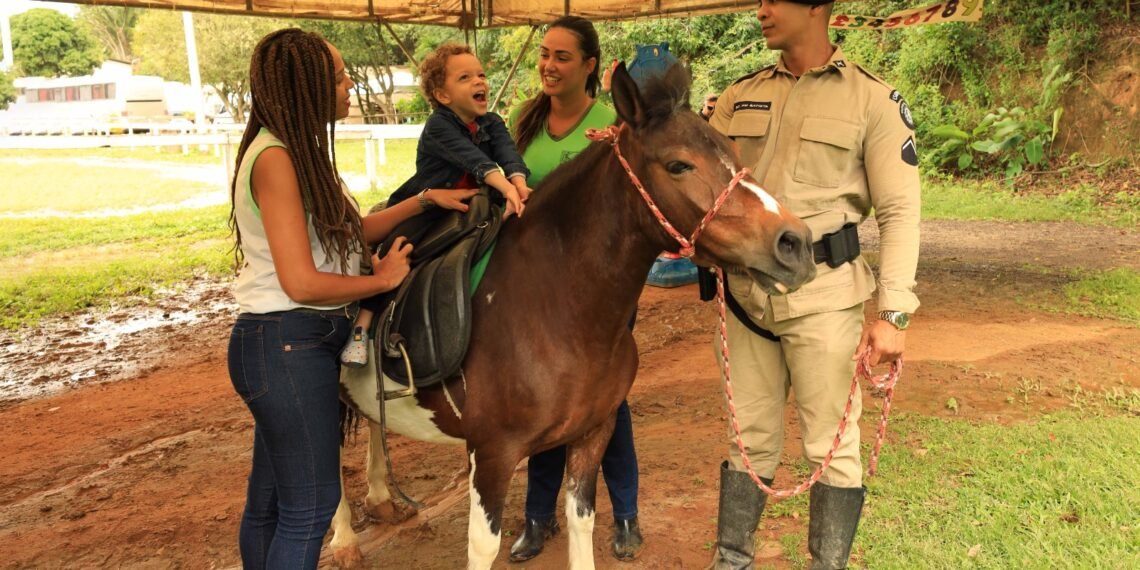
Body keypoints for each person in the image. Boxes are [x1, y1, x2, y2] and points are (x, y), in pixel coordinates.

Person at [225, 29, 473, 569]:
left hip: (285, 342)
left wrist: (423, 200)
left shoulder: (290, 150)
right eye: (339, 77)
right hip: (288, 341)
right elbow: (302, 282)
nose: (349, 85)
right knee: (310, 510)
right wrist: (381, 282)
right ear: (307, 86)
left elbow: (346, 231)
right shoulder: (277, 159)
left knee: (271, 504)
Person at [707, 1, 920, 568]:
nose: (762, 10)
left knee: (831, 446)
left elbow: (899, 212)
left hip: (824, 297)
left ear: (817, 7)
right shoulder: (737, 96)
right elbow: (701, 181)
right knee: (748, 440)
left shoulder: (873, 100)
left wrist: (894, 313)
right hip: (746, 297)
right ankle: (731, 559)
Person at [505, 16, 644, 563]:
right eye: (545, 53)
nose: (548, 64)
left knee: (607, 404)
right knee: (544, 401)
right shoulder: (525, 121)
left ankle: (626, 513)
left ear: (589, 66)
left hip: (600, 292)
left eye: (562, 56)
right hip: (537, 291)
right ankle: (538, 517)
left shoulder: (614, 126)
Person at [339, 43, 532, 367]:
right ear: (442, 96)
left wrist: (520, 184)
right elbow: (476, 161)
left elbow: (508, 154)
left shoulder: (492, 122)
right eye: (465, 77)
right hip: (433, 204)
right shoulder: (439, 126)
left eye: (481, 75)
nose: (479, 81)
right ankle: (363, 325)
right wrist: (505, 186)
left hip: (478, 204)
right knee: (399, 246)